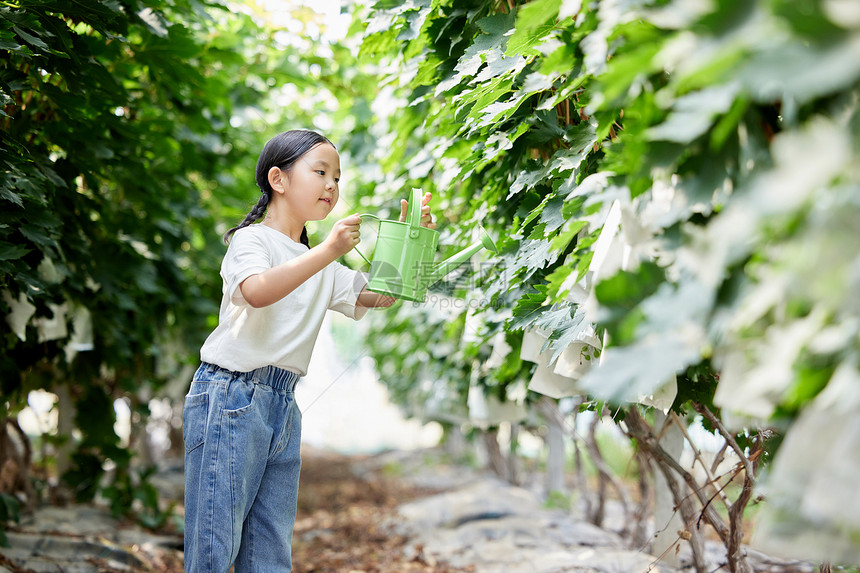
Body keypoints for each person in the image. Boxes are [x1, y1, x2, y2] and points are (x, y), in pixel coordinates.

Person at [182, 129, 435, 572]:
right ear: (278, 180)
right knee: (213, 545)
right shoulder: (252, 241)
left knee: (269, 548)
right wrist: (330, 250)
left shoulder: (319, 261)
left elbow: (381, 295)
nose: (332, 186)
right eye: (320, 172)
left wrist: (415, 244)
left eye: (337, 177)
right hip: (230, 397)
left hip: (282, 402)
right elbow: (256, 291)